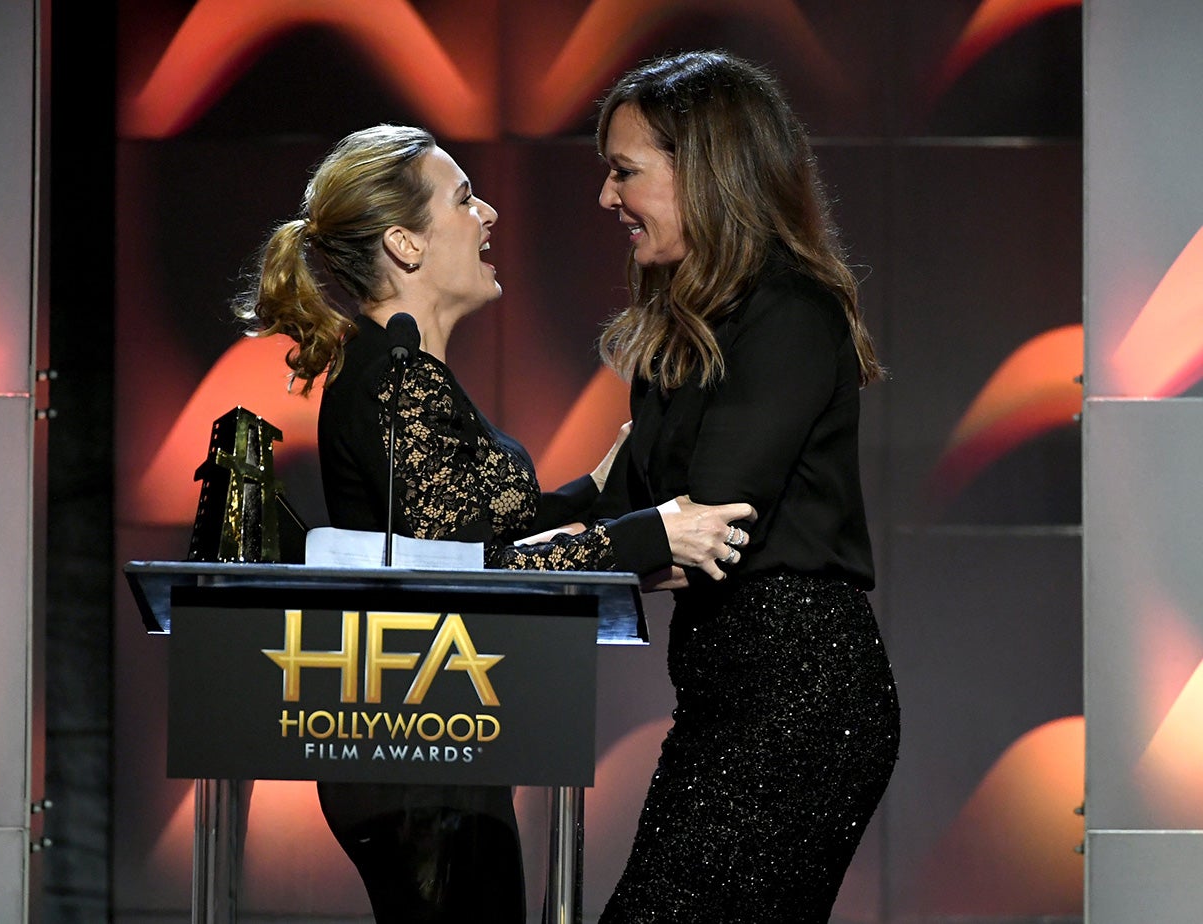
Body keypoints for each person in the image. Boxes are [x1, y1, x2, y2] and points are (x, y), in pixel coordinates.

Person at [233, 124, 755, 923]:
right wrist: (650, 536)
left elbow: (481, 538)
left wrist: (598, 491)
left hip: (441, 736)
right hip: (416, 748)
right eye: (466, 197)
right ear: (405, 245)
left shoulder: (406, 374)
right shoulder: (393, 379)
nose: (491, 216)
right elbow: (463, 571)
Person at [586, 50, 902, 922]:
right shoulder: (682, 329)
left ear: (707, 172)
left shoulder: (789, 311)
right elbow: (630, 517)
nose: (609, 199)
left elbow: (707, 529)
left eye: (625, 172)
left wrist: (584, 548)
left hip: (799, 706)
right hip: (725, 700)